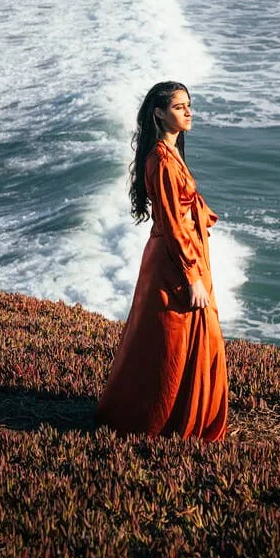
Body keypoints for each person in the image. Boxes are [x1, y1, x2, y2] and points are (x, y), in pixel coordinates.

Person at [93, 80, 229, 442]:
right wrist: (191, 277)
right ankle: (160, 423)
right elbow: (170, 222)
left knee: (177, 340)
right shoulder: (162, 160)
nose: (188, 112)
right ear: (159, 113)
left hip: (183, 254)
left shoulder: (170, 153)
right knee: (174, 341)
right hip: (175, 260)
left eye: (189, 105)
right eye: (180, 106)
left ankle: (166, 417)